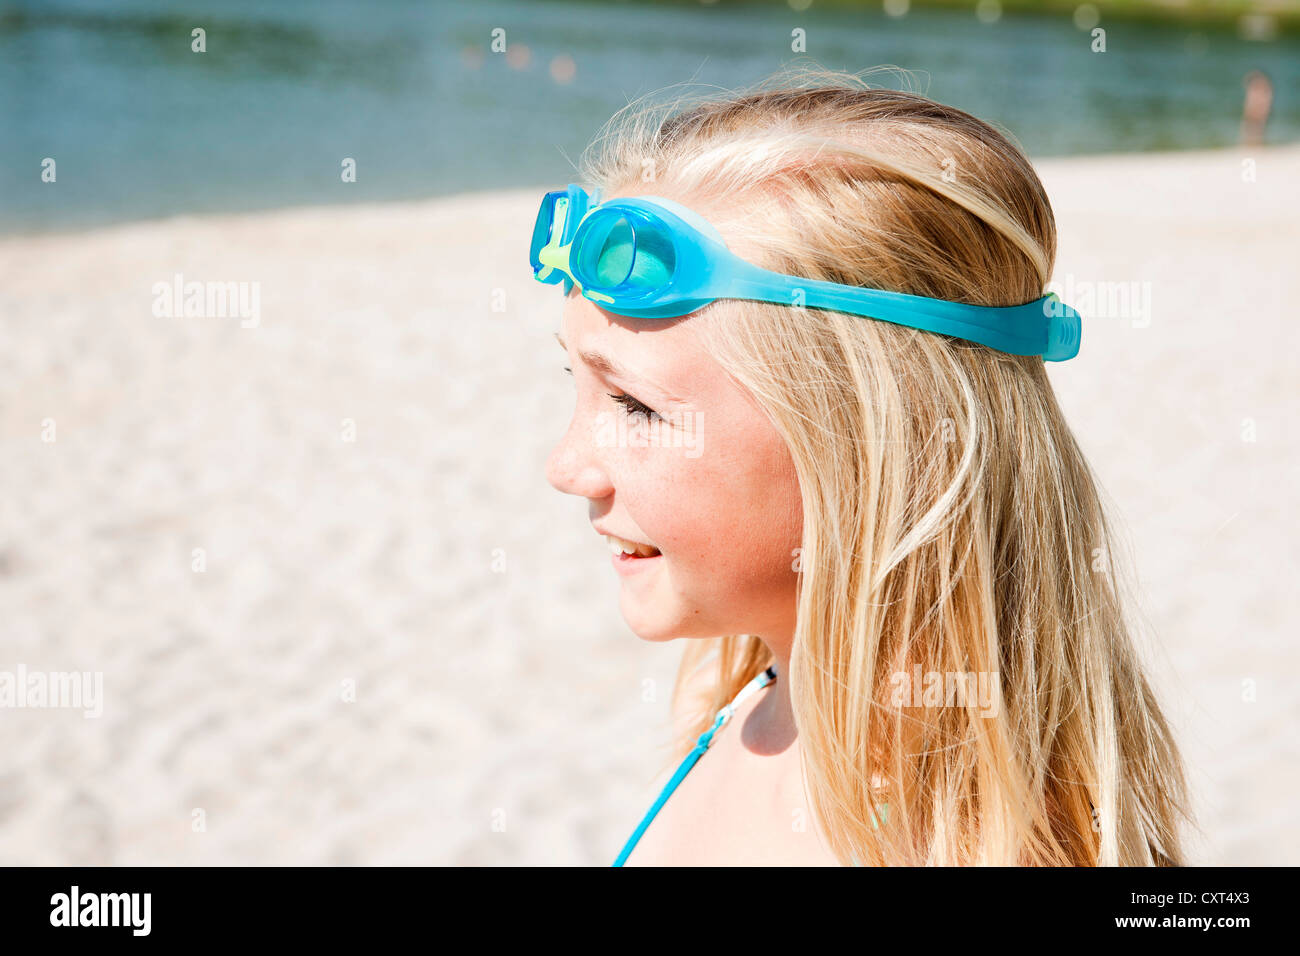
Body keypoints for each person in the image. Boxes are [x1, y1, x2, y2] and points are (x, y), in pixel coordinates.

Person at [538, 66, 1192, 866]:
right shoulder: (758, 698)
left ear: (873, 450)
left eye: (636, 409)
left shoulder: (941, 848)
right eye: (578, 385)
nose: (567, 467)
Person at [1241, 69, 1273, 147]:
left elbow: (1250, 103)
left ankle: (1254, 146)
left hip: (1255, 112)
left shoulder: (1258, 88)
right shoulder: (1262, 89)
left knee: (1253, 130)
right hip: (1257, 112)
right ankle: (1255, 145)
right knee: (1255, 130)